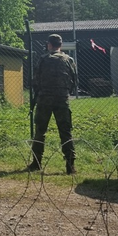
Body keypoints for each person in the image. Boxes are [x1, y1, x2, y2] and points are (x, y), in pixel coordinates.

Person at [29, 34, 78, 175]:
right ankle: (70, 165)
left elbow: (35, 80)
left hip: (44, 99)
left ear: (49, 44)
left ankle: (36, 162)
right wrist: (65, 92)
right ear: (60, 45)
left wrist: (39, 92)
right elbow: (74, 80)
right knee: (65, 132)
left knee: (40, 131)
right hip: (62, 99)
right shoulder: (69, 60)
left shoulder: (43, 59)